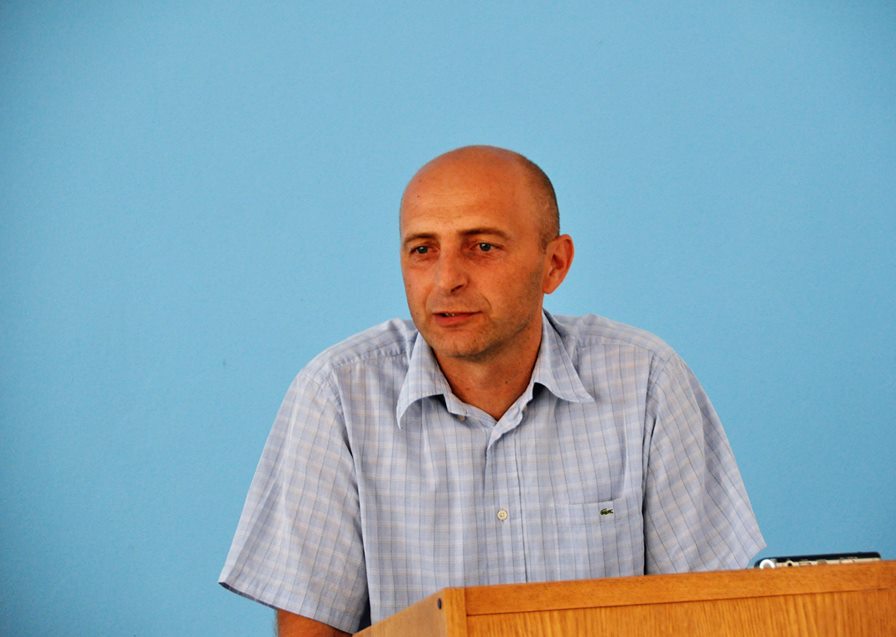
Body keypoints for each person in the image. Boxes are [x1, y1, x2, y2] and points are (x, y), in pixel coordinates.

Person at [220, 145, 765, 636]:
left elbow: (712, 616)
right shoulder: (338, 395)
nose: (446, 280)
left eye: (482, 246)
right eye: (422, 250)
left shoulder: (646, 381)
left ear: (554, 264)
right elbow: (312, 629)